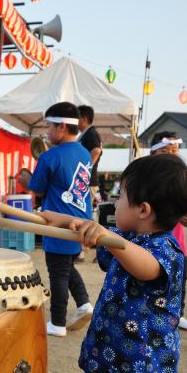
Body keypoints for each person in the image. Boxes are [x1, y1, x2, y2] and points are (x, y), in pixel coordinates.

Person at [39, 154, 187, 373]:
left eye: (121, 195)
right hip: (108, 360)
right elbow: (84, 229)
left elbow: (146, 267)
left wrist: (108, 240)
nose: (116, 202)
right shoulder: (128, 239)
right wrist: (57, 219)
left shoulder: (166, 251)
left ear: (143, 210)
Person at [28, 102, 94, 337]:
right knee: (65, 267)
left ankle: (56, 323)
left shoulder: (50, 156)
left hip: (58, 223)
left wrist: (38, 165)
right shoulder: (85, 153)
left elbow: (36, 187)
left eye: (49, 126)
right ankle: (85, 304)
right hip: (82, 222)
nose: (47, 131)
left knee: (57, 272)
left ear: (63, 126)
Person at [150, 132, 187, 333]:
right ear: (153, 152)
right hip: (152, 243)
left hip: (177, 243)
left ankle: (177, 315)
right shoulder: (146, 178)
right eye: (165, 151)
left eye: (174, 151)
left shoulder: (182, 178)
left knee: (179, 282)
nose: (171, 155)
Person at [76, 105, 103, 263]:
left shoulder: (91, 133)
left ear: (84, 119)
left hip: (88, 181)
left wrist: (86, 170)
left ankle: (83, 252)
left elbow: (96, 151)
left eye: (77, 117)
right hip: (87, 181)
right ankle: (81, 251)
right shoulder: (86, 134)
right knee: (84, 215)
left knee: (84, 216)